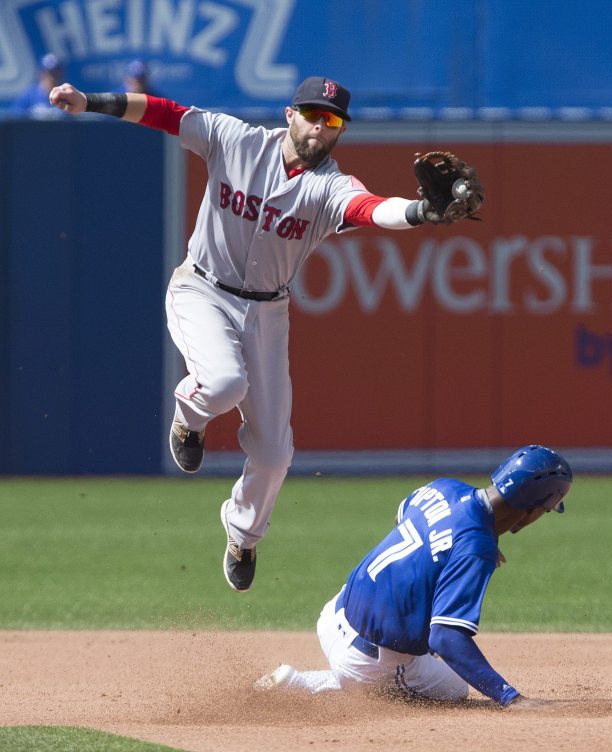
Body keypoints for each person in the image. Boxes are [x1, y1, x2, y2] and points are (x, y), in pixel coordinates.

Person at [49, 74, 475, 593]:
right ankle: (189, 417)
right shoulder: (237, 139)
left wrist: (421, 212)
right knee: (225, 384)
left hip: (267, 314)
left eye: (332, 120)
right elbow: (166, 113)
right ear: (289, 114)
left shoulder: (330, 185)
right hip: (201, 289)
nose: (320, 127)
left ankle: (243, 533)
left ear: (341, 130)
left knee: (275, 452)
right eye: (312, 114)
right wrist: (88, 101)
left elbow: (370, 209)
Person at [253, 445, 573, 708]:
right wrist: (510, 698)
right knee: (454, 688)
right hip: (366, 661)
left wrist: (454, 550)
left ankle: (329, 677)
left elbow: (402, 516)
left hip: (333, 614)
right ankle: (303, 685)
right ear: (532, 510)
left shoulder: (443, 487)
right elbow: (446, 638)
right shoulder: (476, 549)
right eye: (544, 511)